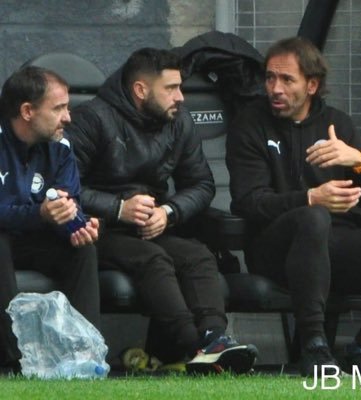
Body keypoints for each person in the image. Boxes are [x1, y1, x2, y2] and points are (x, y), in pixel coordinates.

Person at [67, 47, 258, 374]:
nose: (181, 97)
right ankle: (193, 346)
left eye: (181, 87)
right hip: (98, 229)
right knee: (154, 259)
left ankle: (215, 339)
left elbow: (201, 184)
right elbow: (64, 188)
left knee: (197, 254)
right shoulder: (93, 119)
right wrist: (118, 208)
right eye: (171, 88)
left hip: (150, 226)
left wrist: (169, 212)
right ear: (140, 90)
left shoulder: (177, 122)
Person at [226, 36, 361, 377]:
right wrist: (309, 198)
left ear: (312, 85)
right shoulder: (250, 124)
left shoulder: (338, 124)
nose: (275, 88)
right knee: (314, 217)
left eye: (287, 79)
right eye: (270, 77)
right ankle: (315, 346)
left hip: (337, 246)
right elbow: (248, 202)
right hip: (276, 248)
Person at [0, 66, 101, 373]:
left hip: (33, 236)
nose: (68, 117)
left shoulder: (61, 147)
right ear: (27, 111)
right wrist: (40, 213)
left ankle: (86, 354)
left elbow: (68, 201)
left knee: (82, 248)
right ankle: (13, 359)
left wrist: (77, 225)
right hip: (5, 239)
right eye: (58, 108)